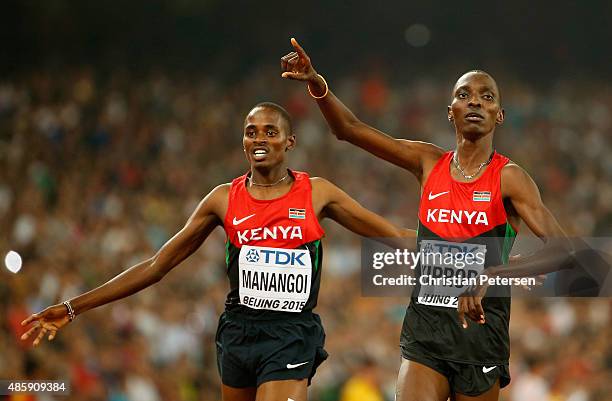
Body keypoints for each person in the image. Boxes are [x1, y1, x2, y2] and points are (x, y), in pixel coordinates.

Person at [20, 102, 415, 401]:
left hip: (291, 333)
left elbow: (388, 231)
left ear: (289, 142)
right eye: (251, 131)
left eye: (270, 131)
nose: (259, 138)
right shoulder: (222, 200)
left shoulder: (317, 193)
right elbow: (157, 265)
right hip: (238, 331)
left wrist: (464, 248)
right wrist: (73, 307)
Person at [280, 38, 575, 401]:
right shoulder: (428, 161)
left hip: (480, 336)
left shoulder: (510, 178)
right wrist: (315, 82)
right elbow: (350, 130)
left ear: (499, 114)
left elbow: (564, 252)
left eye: (487, 97)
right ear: (450, 111)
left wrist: (491, 275)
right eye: (465, 95)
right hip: (426, 331)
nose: (476, 102)